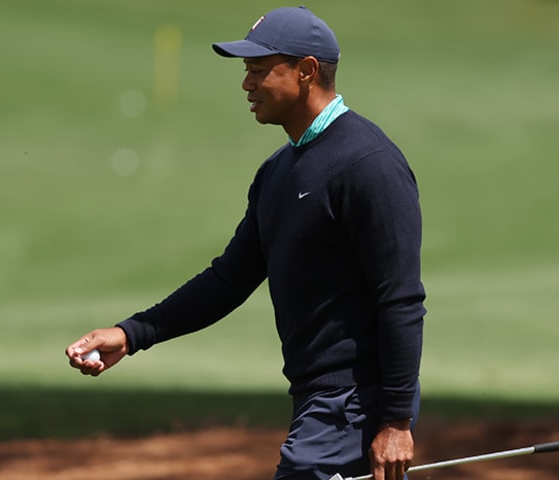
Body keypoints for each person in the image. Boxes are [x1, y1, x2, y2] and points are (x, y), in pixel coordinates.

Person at [65, 6, 425, 480]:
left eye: (258, 70)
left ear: (306, 71)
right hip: (318, 401)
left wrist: (396, 421)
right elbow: (227, 279)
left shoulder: (368, 164)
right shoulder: (278, 172)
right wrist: (133, 334)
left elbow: (399, 299)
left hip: (353, 404)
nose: (246, 84)